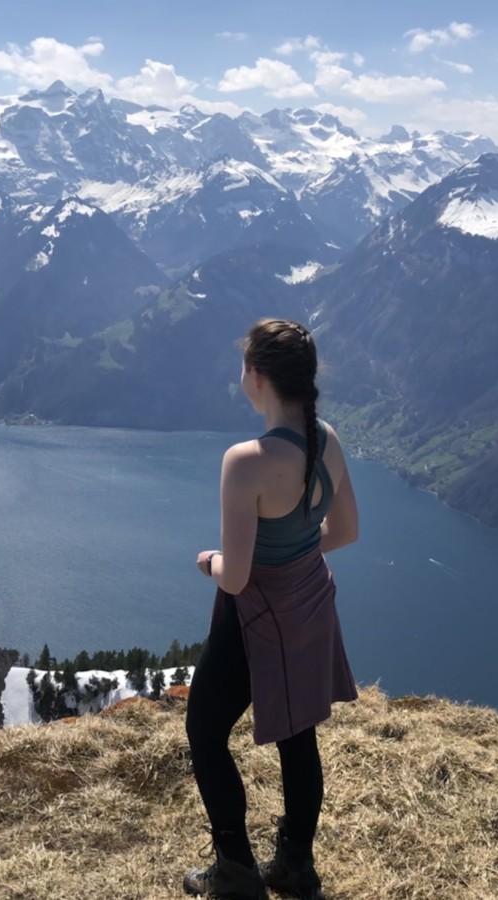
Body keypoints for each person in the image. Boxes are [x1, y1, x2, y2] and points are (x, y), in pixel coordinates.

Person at [184, 318, 360, 900]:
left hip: (254, 616)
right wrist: (295, 554)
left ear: (256, 377)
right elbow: (346, 530)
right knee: (298, 737)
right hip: (309, 603)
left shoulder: (247, 461)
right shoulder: (326, 439)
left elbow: (235, 578)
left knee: (205, 731)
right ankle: (294, 868)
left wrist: (208, 559)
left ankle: (234, 869)